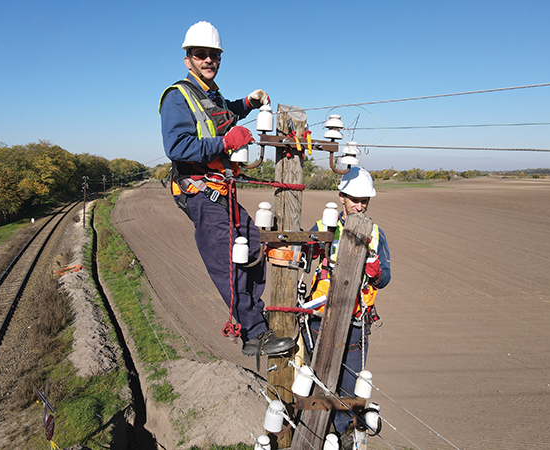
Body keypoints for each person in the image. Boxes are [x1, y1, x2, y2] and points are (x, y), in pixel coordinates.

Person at [159, 21, 294, 356]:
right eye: (201, 55)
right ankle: (253, 334)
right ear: (187, 59)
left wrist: (247, 103)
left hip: (223, 191)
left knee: (252, 248)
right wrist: (225, 143)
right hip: (201, 193)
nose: (208, 61)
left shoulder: (210, 95)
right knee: (228, 261)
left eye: (213, 56)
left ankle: (253, 313)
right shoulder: (178, 97)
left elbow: (222, 114)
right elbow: (177, 146)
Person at [304, 166, 391, 439]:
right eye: (355, 199)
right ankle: (312, 432)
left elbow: (385, 278)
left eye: (365, 200)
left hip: (355, 320)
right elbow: (304, 257)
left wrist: (376, 272)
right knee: (317, 379)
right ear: (341, 196)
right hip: (321, 316)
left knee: (349, 384)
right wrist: (313, 246)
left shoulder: (375, 233)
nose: (360, 205)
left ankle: (341, 434)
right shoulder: (323, 226)